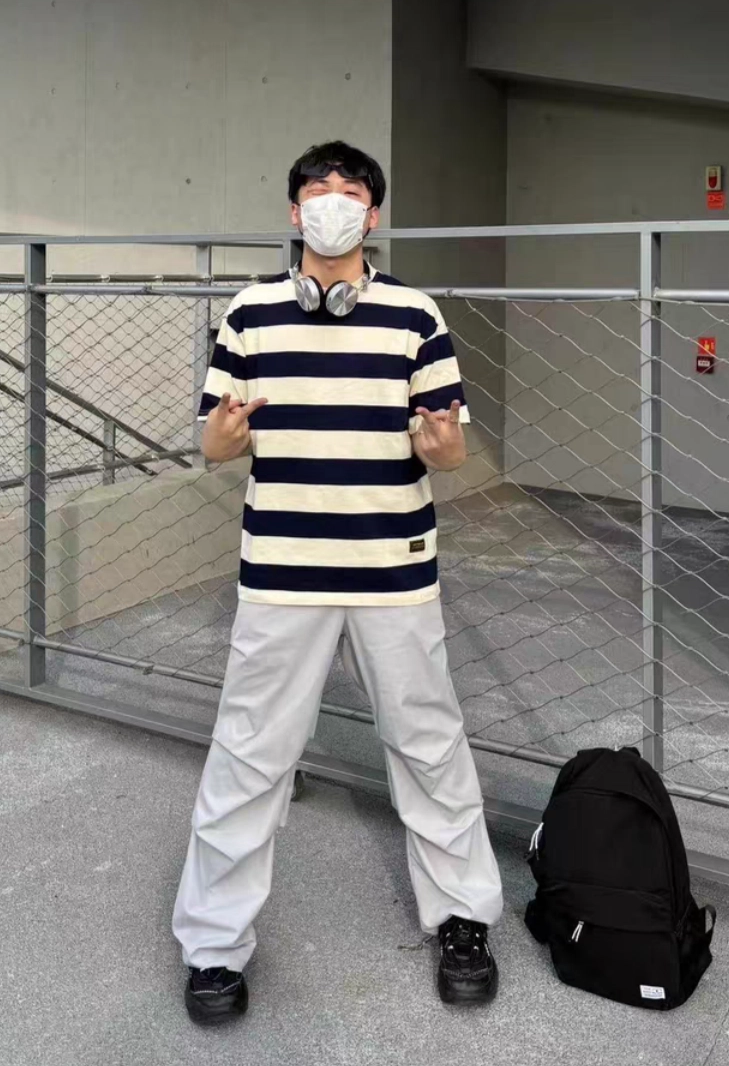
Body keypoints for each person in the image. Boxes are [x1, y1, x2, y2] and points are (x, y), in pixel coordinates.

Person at [172, 140, 504, 1024]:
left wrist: (443, 447)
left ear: (372, 214)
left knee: (428, 743)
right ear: (293, 213)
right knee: (249, 754)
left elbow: (449, 449)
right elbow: (214, 442)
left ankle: (463, 917)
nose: (331, 202)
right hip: (281, 571)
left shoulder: (415, 315)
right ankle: (214, 947)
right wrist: (225, 435)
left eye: (349, 191)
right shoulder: (249, 313)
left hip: (394, 569)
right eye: (316, 191)